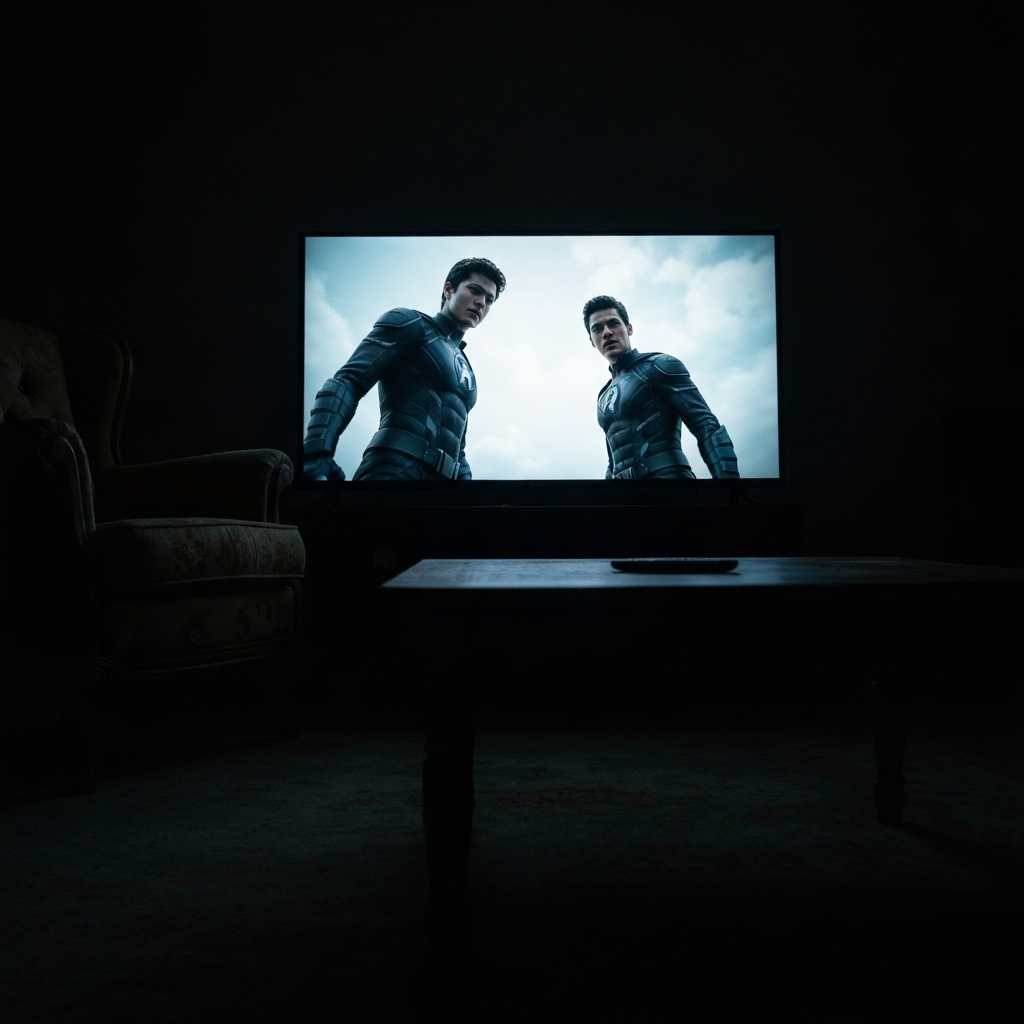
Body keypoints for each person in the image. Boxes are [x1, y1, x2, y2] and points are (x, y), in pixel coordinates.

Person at [303, 257, 506, 482]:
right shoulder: (411, 323)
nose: (481, 303)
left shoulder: (467, 371)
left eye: (489, 299)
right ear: (448, 289)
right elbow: (349, 381)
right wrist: (317, 452)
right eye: (475, 290)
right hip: (394, 470)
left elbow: (458, 447)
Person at [585, 295, 739, 479]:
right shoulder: (604, 396)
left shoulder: (658, 366)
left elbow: (706, 426)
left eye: (613, 323)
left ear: (629, 328)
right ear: (592, 340)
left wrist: (729, 489)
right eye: (597, 329)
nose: (607, 332)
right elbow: (614, 460)